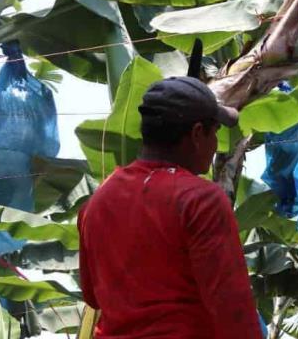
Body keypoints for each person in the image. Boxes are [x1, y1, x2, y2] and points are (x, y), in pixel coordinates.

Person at [77, 76, 262, 338]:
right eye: (215, 133)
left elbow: (93, 296)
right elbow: (233, 311)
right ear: (198, 134)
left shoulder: (97, 201)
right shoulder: (201, 199)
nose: (215, 146)